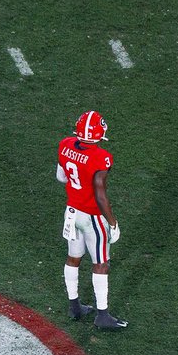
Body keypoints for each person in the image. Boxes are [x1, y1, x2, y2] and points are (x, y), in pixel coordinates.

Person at [56, 110, 128, 329]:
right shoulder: (100, 156)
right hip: (92, 216)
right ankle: (102, 315)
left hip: (72, 211)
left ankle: (74, 306)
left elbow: (61, 176)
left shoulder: (65, 144)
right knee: (101, 264)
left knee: (73, 258)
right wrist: (113, 222)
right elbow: (100, 194)